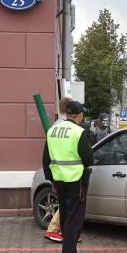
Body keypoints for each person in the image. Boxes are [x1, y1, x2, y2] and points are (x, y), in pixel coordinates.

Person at [43, 101, 93, 253]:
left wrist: (51, 179)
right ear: (80, 115)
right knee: (74, 218)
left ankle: (68, 252)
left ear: (66, 114)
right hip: (75, 180)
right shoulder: (79, 132)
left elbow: (46, 158)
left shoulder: (52, 130)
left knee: (65, 215)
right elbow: (88, 158)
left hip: (58, 180)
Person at [45, 97, 74, 243]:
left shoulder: (55, 126)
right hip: (66, 174)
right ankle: (53, 229)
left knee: (66, 204)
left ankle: (64, 231)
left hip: (58, 173)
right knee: (67, 204)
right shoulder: (66, 127)